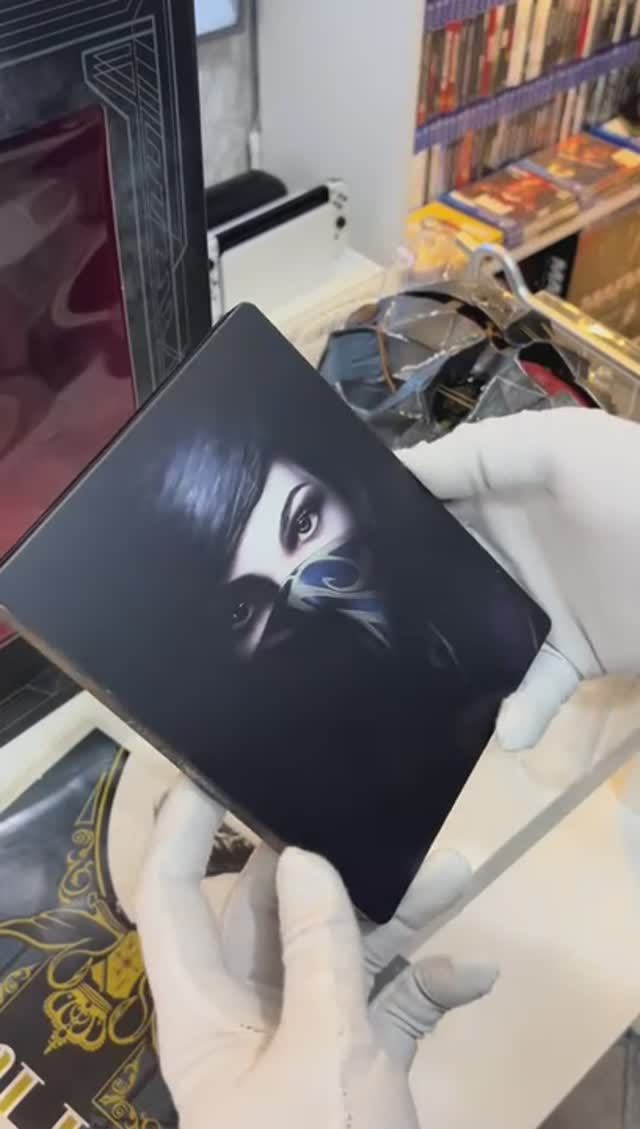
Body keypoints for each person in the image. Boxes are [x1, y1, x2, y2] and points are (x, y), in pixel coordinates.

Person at [136, 407, 640, 1128]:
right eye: (243, 606)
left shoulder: (497, 626)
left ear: (342, 489)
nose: (304, 589)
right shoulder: (319, 764)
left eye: (303, 521)